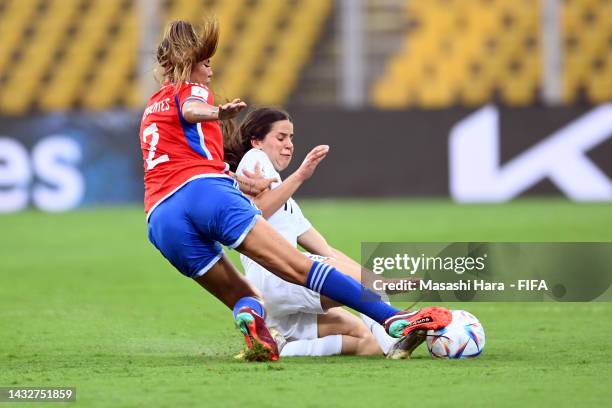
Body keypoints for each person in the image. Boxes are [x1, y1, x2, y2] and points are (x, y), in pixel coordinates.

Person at [139, 18, 451, 361]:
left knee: (246, 299)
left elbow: (186, 164)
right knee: (297, 267)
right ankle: (392, 320)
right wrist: (216, 111)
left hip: (161, 219)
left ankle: (256, 333)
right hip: (205, 194)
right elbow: (192, 110)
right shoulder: (190, 91)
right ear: (189, 65)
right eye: (207, 64)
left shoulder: (151, 111)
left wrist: (243, 183)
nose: (211, 73)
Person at [229, 107, 408, 358]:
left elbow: (327, 250)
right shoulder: (254, 158)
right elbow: (256, 211)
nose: (289, 145)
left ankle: (282, 348)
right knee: (367, 289)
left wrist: (379, 280)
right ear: (257, 141)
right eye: (281, 138)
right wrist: (301, 175)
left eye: (291, 138)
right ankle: (399, 341)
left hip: (277, 292)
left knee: (365, 341)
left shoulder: (289, 205)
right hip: (279, 276)